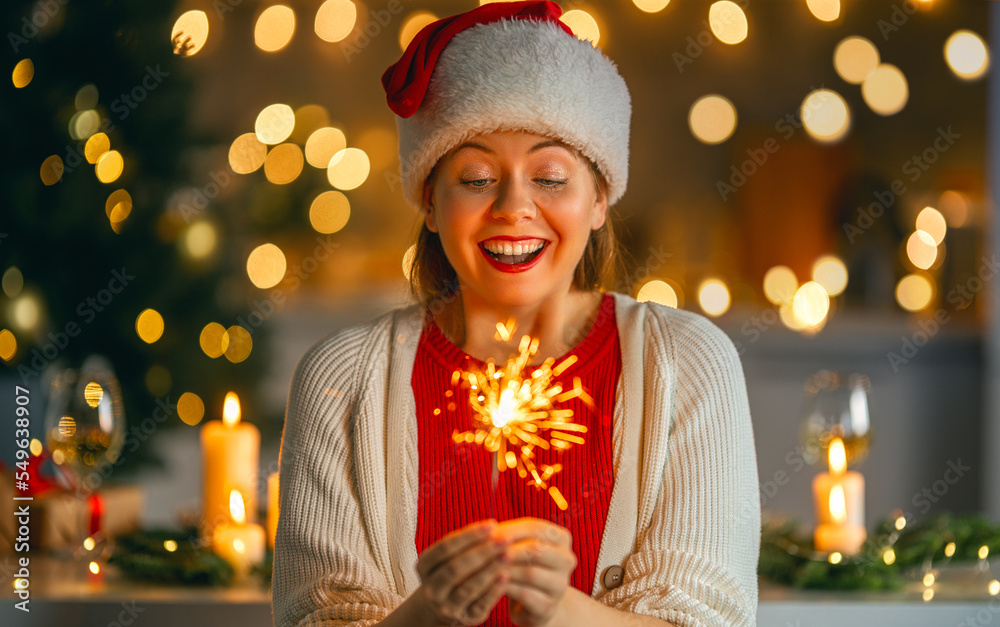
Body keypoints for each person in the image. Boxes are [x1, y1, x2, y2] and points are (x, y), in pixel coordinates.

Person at [271, 2, 760, 626]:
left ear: (599, 197)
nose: (513, 208)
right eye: (475, 178)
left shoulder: (688, 365)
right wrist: (427, 613)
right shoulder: (342, 381)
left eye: (551, 178)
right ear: (429, 199)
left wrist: (559, 611)